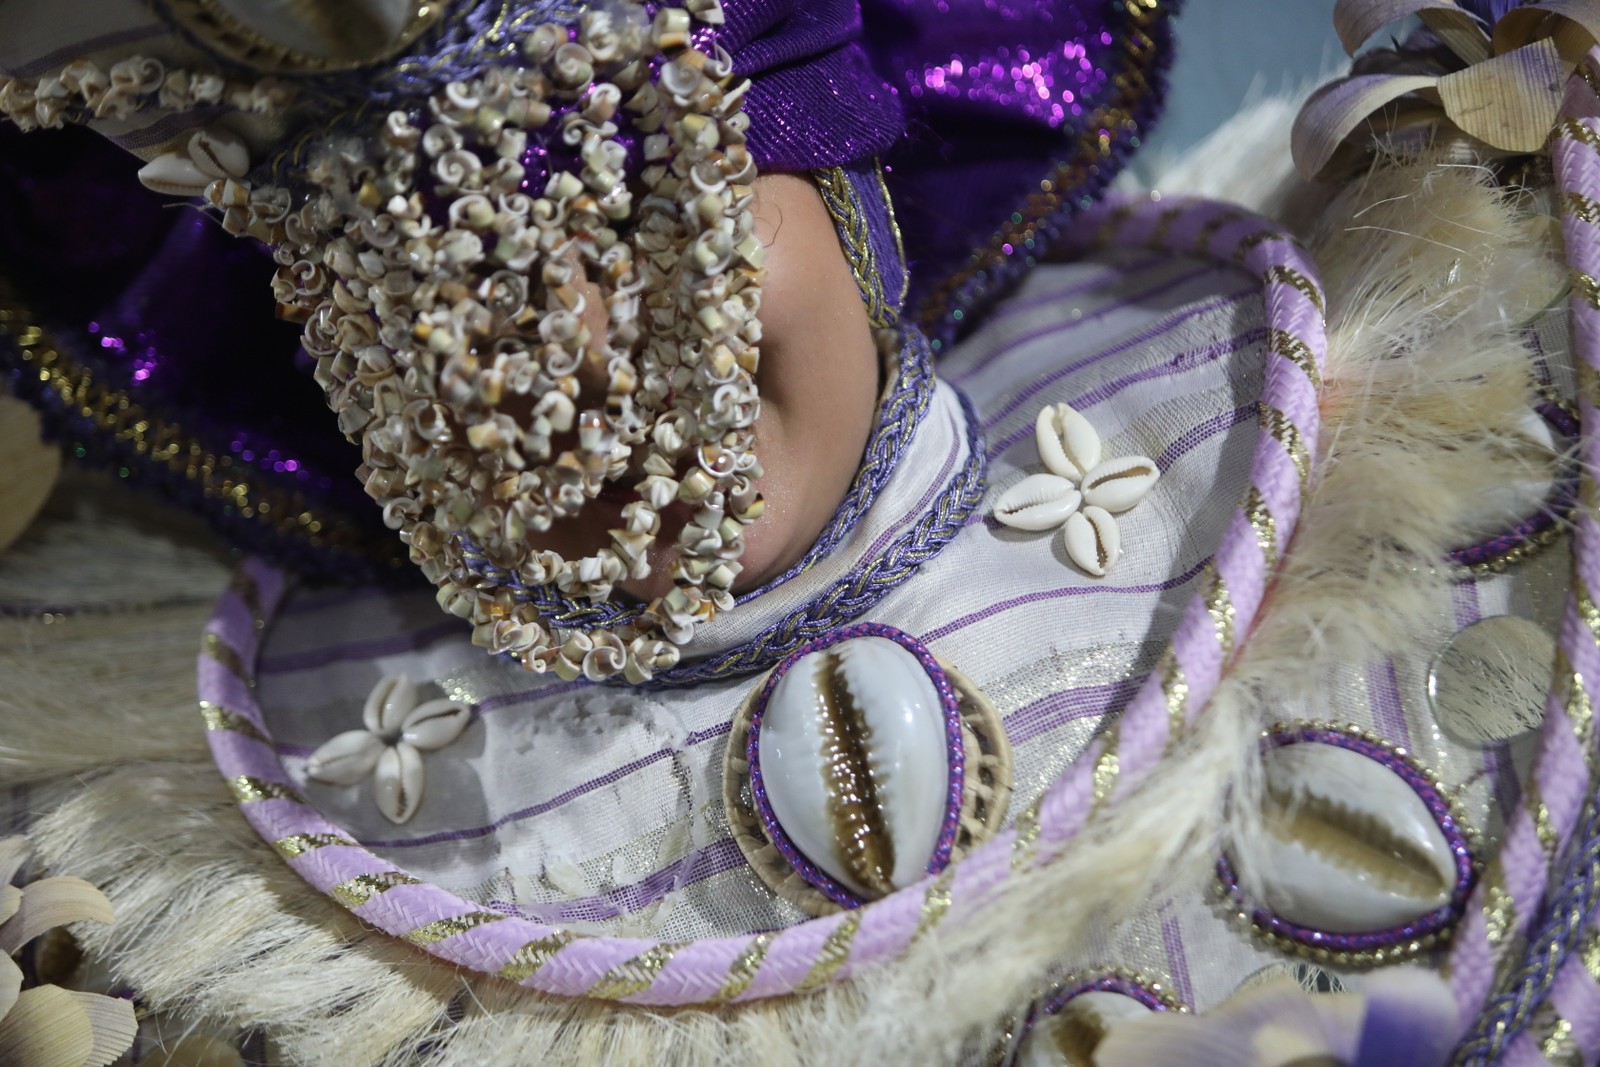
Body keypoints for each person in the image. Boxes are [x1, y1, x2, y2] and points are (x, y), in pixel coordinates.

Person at [0, 2, 1591, 1065]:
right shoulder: (167, 931)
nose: (572, 344)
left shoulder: (1491, 379)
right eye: (441, 295)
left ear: (840, 172)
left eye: (634, 199)